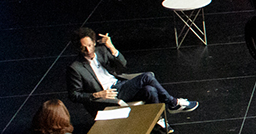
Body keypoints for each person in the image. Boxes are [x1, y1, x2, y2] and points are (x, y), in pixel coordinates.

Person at [64, 29, 195, 124]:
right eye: (83, 48)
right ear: (78, 48)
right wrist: (97, 95)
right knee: (147, 76)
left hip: (120, 85)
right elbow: (74, 95)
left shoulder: (102, 51)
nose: (88, 50)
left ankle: (157, 120)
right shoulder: (75, 68)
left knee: (150, 90)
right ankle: (173, 103)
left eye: (90, 45)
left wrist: (111, 47)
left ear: (94, 42)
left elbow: (122, 67)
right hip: (108, 96)